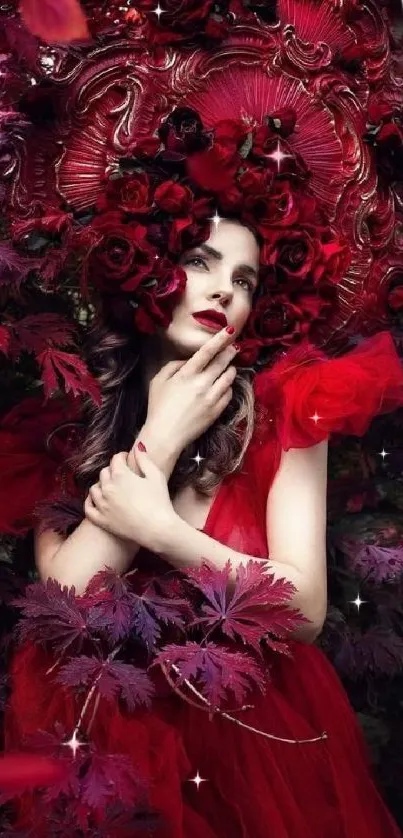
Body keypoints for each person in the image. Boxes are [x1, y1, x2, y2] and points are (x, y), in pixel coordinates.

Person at [3, 212, 403, 837]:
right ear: (142, 268)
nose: (224, 290)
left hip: (252, 737)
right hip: (101, 734)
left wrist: (161, 529)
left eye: (245, 281)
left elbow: (305, 610)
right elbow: (64, 606)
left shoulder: (285, 408)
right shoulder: (64, 423)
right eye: (199, 262)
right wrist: (158, 444)